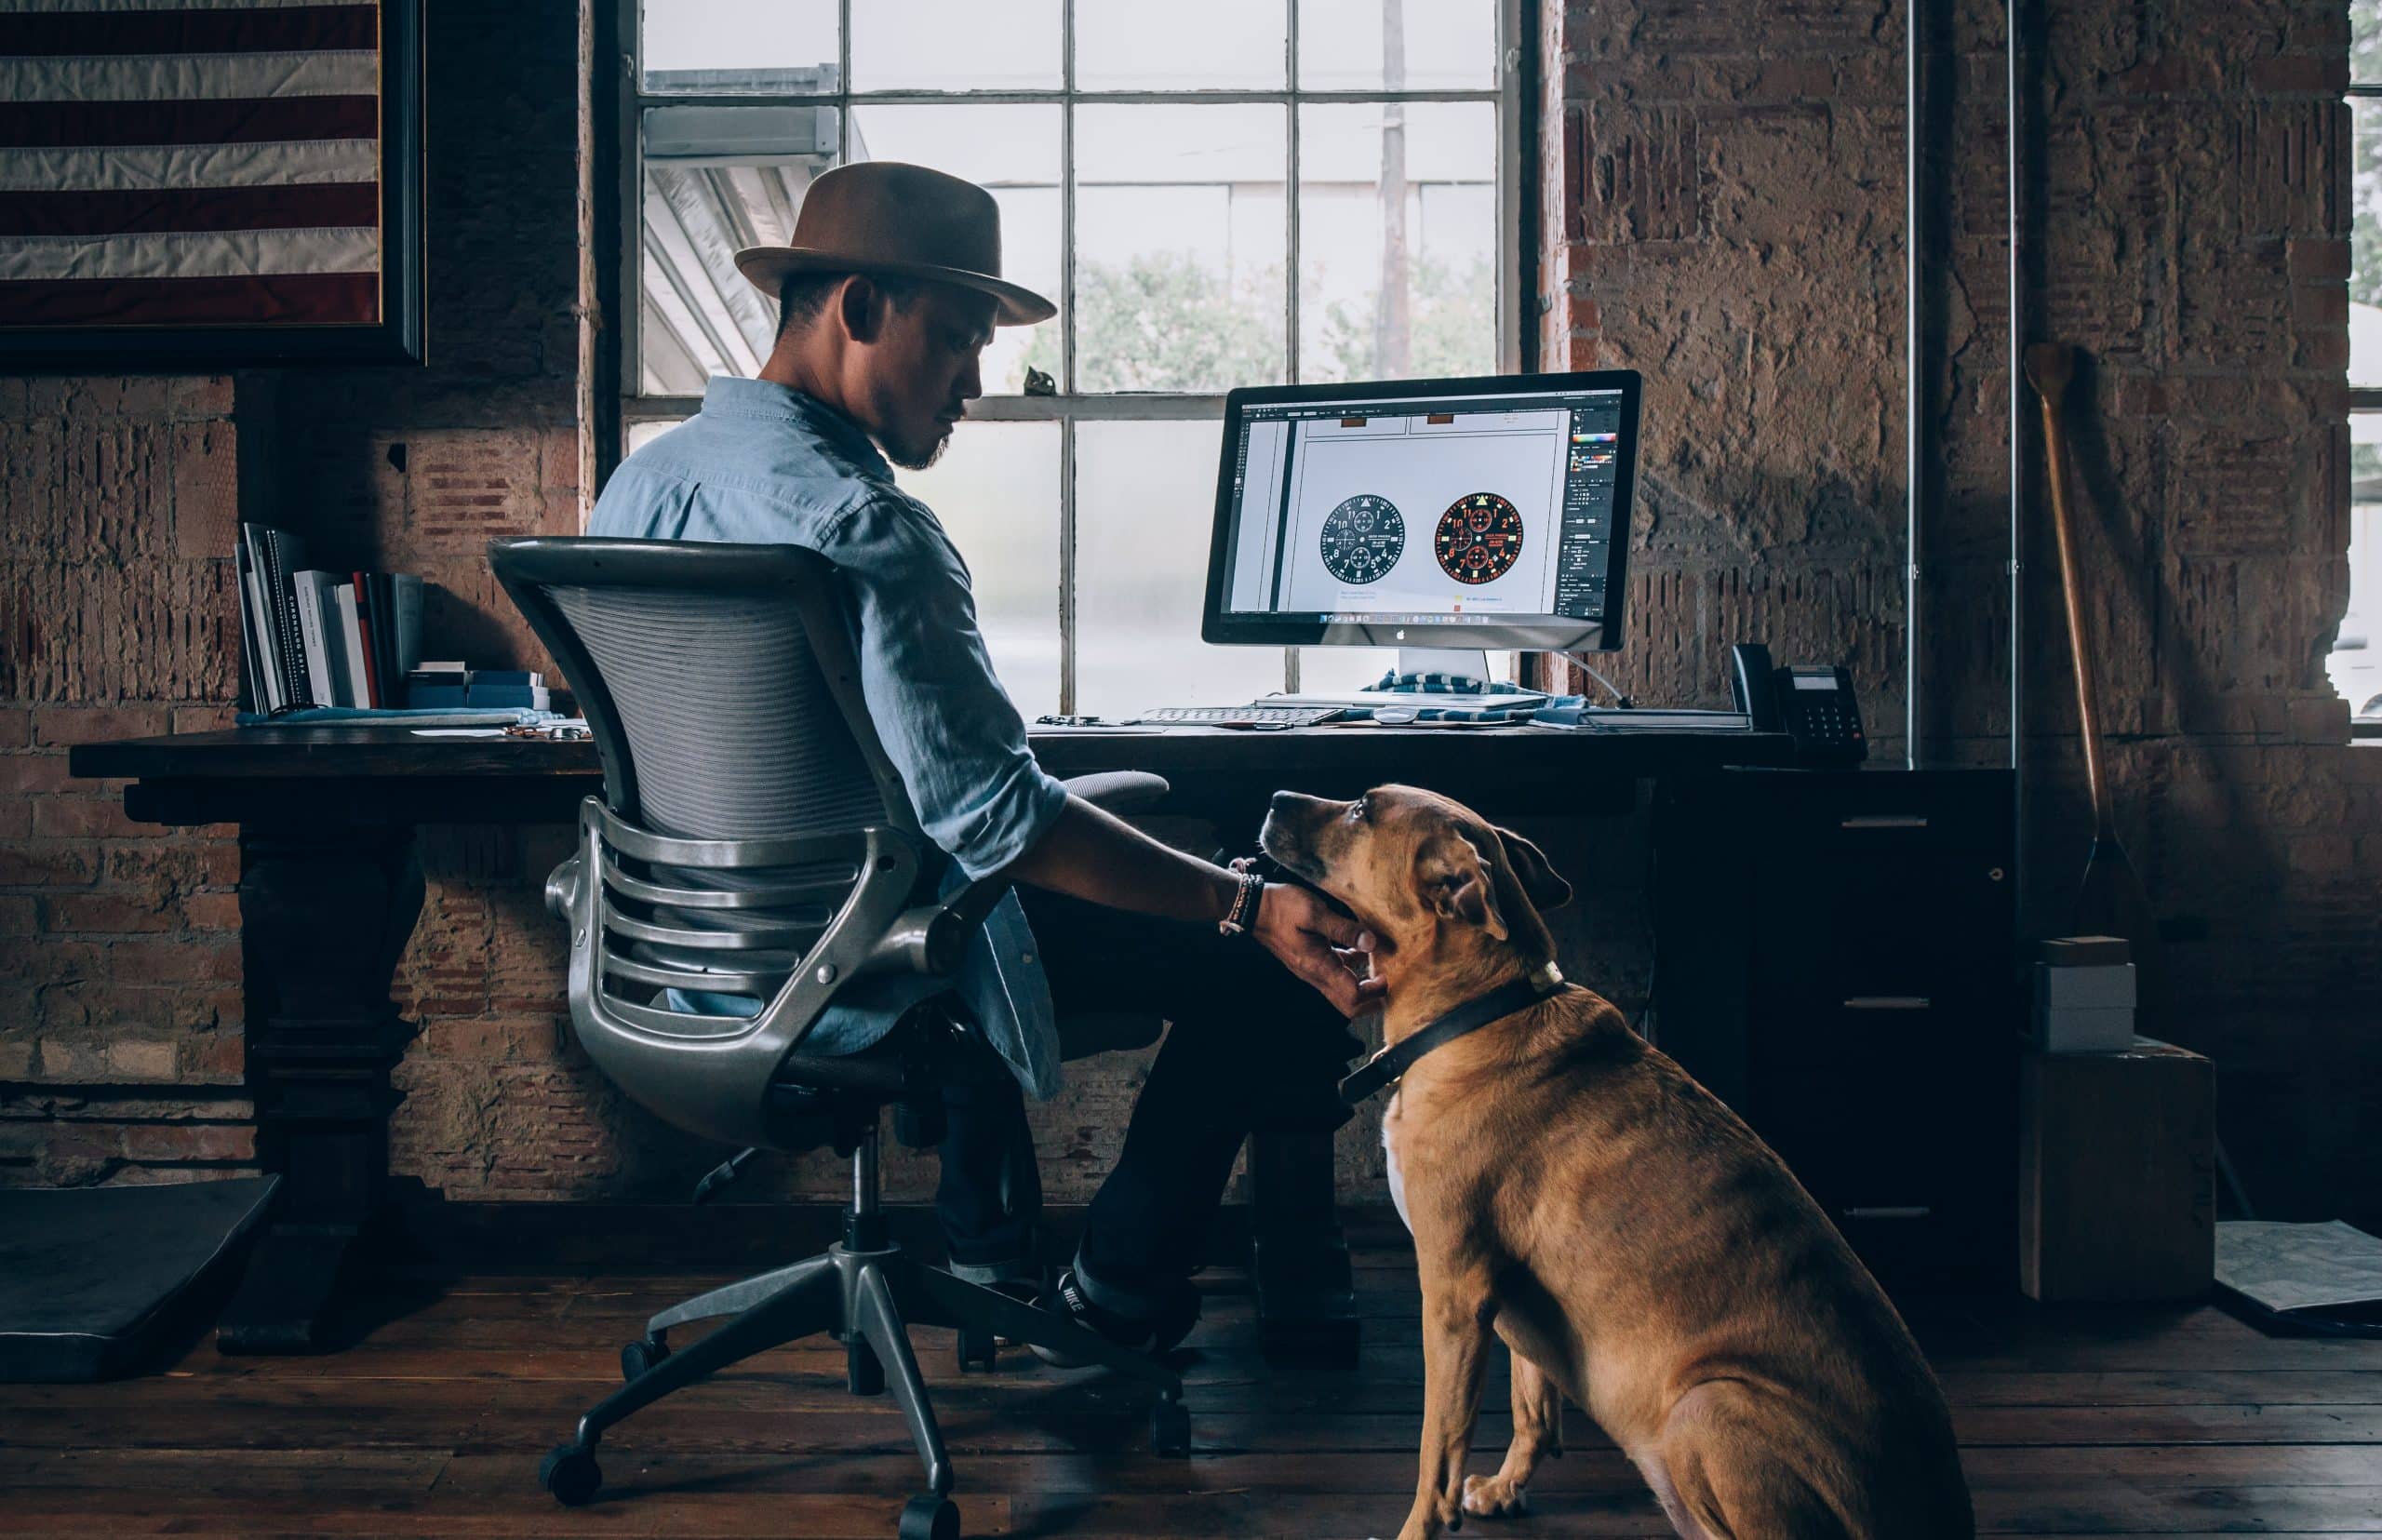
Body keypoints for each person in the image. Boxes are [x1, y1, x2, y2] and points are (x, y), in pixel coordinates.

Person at [587, 161, 1377, 1352]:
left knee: (1110, 885)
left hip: (688, 956)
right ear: (857, 311)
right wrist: (1248, 903)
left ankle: (988, 1254)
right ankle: (1117, 1293)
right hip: (861, 962)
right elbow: (1003, 822)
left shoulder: (636, 490)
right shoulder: (871, 529)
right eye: (954, 340)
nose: (972, 385)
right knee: (1270, 949)